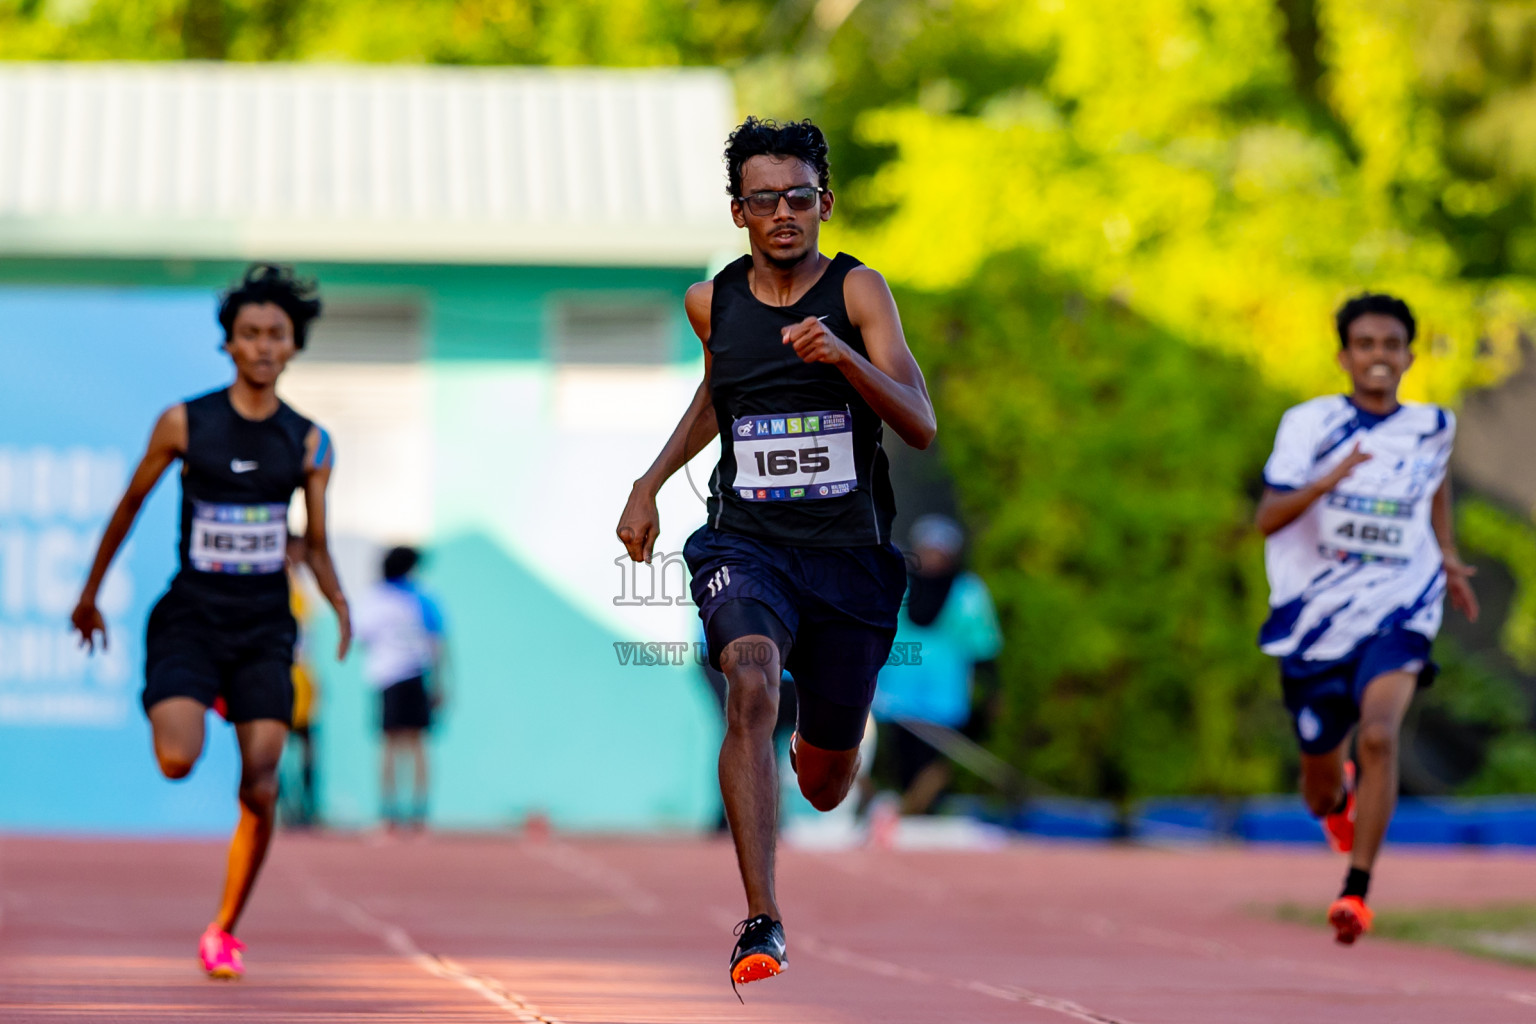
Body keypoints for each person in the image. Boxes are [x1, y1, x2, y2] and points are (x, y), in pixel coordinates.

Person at [615, 116, 936, 991]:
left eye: (799, 198)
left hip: (849, 562)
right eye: (765, 201)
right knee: (749, 680)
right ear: (739, 212)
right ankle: (763, 919)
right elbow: (719, 397)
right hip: (746, 545)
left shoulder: (861, 293)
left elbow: (919, 421)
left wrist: (843, 359)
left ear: (824, 204)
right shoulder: (711, 302)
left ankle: (818, 748)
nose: (784, 213)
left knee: (828, 782)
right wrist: (648, 483)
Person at [70, 264, 350, 979]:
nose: (261, 346)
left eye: (276, 336)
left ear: (293, 347)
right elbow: (129, 507)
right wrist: (90, 593)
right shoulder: (184, 422)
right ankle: (198, 692)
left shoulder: (311, 443)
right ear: (227, 344)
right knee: (177, 760)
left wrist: (340, 603)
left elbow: (313, 543)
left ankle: (223, 929)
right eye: (249, 334)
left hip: (263, 627)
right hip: (192, 618)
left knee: (260, 783)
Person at [1255, 292, 1477, 946]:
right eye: (1366, 346)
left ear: (1409, 356)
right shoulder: (1309, 425)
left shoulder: (1434, 425)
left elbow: (1434, 485)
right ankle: (1340, 800)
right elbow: (1268, 517)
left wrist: (1449, 554)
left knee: (1379, 736)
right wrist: (1332, 477)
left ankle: (1356, 893)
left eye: (1391, 345)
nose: (1379, 357)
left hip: (1400, 605)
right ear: (1344, 357)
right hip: (1313, 620)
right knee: (1318, 793)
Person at [871, 514, 1001, 815]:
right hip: (895, 699)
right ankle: (901, 813)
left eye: (940, 552)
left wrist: (992, 693)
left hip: (944, 702)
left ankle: (913, 814)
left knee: (932, 766)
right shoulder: (897, 584)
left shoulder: (969, 593)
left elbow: (984, 648)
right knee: (897, 763)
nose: (933, 558)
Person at [352, 545, 447, 832]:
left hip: (386, 676)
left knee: (390, 744)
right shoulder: (423, 598)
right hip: (414, 674)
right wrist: (440, 682)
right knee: (416, 744)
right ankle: (417, 813)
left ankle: (390, 813)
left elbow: (361, 637)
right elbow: (437, 644)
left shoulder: (373, 599)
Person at [280, 534, 320, 828]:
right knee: (276, 743)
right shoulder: (276, 586)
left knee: (306, 743)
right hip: (281, 669)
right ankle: (282, 804)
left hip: (302, 673)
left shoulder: (301, 585)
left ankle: (305, 806)